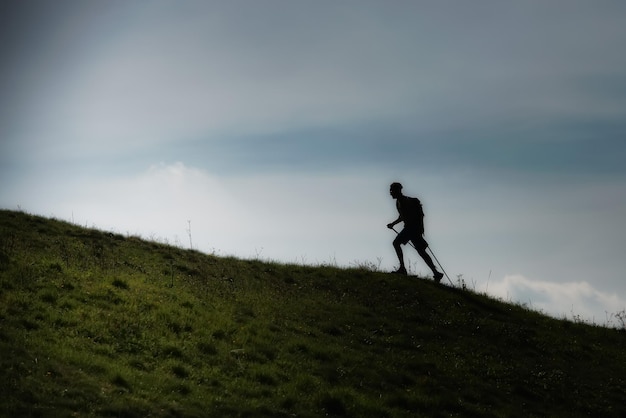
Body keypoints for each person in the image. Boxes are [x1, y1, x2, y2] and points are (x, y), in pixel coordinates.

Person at [387, 182, 444, 282]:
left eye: (392, 191)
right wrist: (393, 223)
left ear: (397, 191)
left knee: (396, 243)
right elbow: (402, 217)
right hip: (412, 229)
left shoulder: (405, 201)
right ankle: (436, 273)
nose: (390, 193)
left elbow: (411, 216)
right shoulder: (399, 202)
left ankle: (403, 269)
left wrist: (414, 228)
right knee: (421, 252)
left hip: (411, 229)